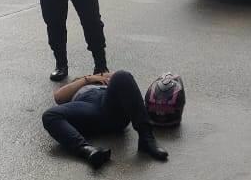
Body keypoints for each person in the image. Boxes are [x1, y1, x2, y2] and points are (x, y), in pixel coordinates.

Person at [41, 70, 169, 169]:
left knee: (122, 75)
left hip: (112, 107)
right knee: (50, 115)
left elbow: (121, 79)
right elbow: (59, 97)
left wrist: (104, 76)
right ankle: (87, 150)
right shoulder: (80, 84)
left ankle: (146, 139)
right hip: (87, 108)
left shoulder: (109, 83)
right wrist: (88, 79)